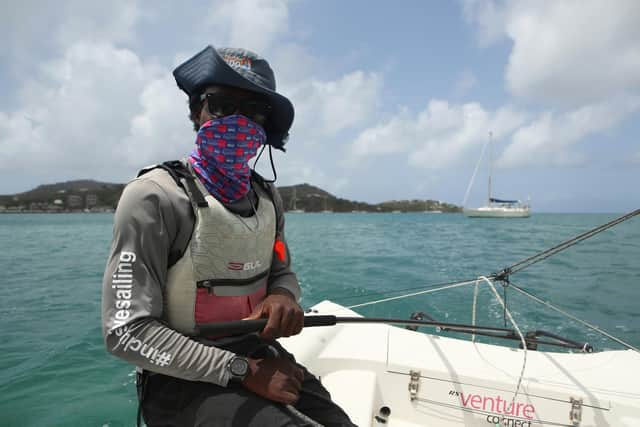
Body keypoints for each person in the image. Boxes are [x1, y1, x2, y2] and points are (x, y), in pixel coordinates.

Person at [101, 45, 355, 427]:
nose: (238, 121)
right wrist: (242, 370)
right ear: (196, 111)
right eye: (221, 104)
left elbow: (281, 269)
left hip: (261, 355)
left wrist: (282, 295)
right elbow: (126, 332)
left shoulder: (268, 198)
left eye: (253, 110)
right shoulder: (154, 197)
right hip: (180, 378)